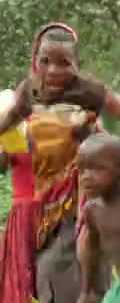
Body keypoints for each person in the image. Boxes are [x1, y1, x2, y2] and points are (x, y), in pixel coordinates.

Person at [0, 23, 120, 303]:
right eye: (45, 61)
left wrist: (117, 167)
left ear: (77, 63)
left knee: (74, 279)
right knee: (46, 282)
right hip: (39, 208)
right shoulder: (29, 92)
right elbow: (5, 126)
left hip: (78, 203)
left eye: (64, 63)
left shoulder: (90, 93)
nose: (53, 71)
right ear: (35, 59)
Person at [76, 134, 120, 303]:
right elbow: (90, 250)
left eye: (97, 169)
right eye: (82, 169)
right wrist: (87, 290)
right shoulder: (92, 209)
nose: (86, 176)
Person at [0, 119, 37, 302]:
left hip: (55, 205)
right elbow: (3, 165)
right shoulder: (12, 125)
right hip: (24, 211)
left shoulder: (62, 118)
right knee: (20, 274)